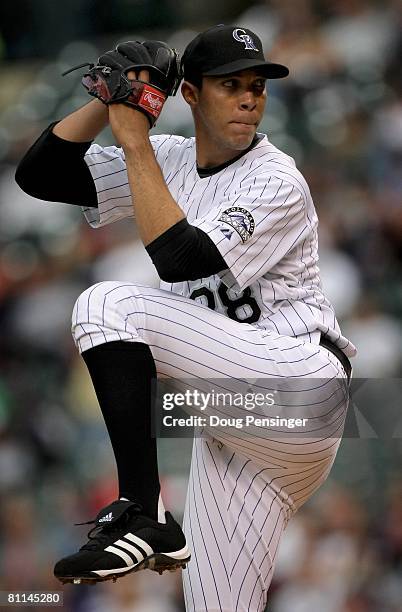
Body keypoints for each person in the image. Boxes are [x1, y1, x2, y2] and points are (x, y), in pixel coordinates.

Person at [16, 24, 356, 612]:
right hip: (232, 416)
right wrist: (107, 100)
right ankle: (153, 520)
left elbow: (179, 259)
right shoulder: (171, 158)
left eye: (257, 85)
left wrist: (135, 139)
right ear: (190, 95)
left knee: (106, 305)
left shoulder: (277, 179)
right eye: (230, 85)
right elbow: (40, 176)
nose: (250, 97)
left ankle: (143, 509)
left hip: (301, 388)